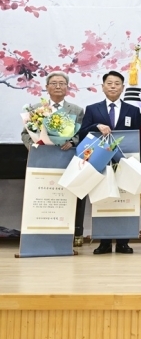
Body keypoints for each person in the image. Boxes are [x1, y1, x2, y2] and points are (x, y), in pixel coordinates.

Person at [79, 70, 141, 254]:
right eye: (109, 83)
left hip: (125, 162)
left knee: (125, 199)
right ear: (103, 87)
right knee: (103, 198)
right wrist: (96, 126)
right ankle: (104, 241)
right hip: (101, 162)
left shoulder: (133, 110)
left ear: (123, 88)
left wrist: (139, 162)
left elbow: (138, 138)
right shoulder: (92, 109)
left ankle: (123, 241)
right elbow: (82, 133)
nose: (113, 86)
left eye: (117, 84)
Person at [21, 71, 85, 247]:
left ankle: (68, 234)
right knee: (43, 195)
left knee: (65, 195)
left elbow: (81, 134)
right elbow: (25, 134)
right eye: (54, 83)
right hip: (42, 160)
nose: (58, 86)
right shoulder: (36, 109)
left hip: (66, 159)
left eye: (62, 83)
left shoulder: (77, 110)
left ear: (67, 87)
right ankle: (40, 234)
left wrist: (72, 142)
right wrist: (34, 146)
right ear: (47, 87)